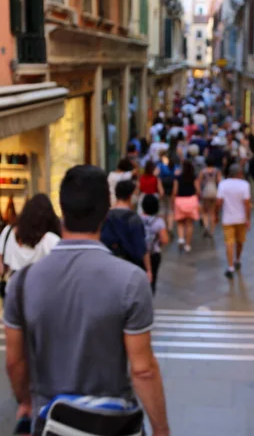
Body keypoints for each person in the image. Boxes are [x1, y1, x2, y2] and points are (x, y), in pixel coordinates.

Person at [3, 165, 169, 435]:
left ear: (63, 209)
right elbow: (143, 370)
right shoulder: (130, 280)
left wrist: (25, 400)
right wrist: (162, 429)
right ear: (106, 210)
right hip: (111, 425)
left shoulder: (20, 285)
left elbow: (14, 361)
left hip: (50, 424)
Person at [101, 180, 152, 282]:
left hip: (107, 266)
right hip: (129, 267)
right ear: (130, 195)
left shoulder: (104, 216)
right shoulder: (134, 219)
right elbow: (141, 247)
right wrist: (149, 269)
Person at [0, 194, 61, 277]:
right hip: (39, 286)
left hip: (11, 286)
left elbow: (1, 267)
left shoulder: (8, 231)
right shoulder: (49, 239)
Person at [216, 164, 250, 279]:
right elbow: (247, 204)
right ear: (239, 173)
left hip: (227, 219)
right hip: (241, 218)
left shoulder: (223, 184)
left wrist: (216, 214)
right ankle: (237, 259)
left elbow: (219, 202)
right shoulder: (245, 185)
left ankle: (230, 267)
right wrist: (248, 219)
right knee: (240, 241)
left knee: (229, 243)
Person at [141, 194, 169, 295]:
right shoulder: (159, 222)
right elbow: (165, 240)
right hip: (154, 253)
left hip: (140, 252)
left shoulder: (137, 219)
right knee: (152, 276)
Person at [172, 159, 200, 253]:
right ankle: (187, 245)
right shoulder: (194, 177)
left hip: (180, 200)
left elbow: (175, 191)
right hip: (191, 200)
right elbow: (198, 190)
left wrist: (173, 201)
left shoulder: (178, 177)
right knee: (189, 224)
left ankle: (180, 239)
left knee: (180, 223)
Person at [199, 156, 222, 238]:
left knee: (205, 211)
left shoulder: (203, 171)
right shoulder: (217, 171)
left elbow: (199, 182)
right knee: (212, 212)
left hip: (206, 191)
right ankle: (212, 231)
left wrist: (199, 192)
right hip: (214, 191)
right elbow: (220, 182)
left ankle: (206, 226)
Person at [157, 151, 179, 233]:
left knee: (162, 209)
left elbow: (156, 174)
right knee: (170, 209)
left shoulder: (160, 166)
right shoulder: (175, 167)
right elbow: (177, 176)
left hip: (162, 189)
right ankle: (170, 228)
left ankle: (163, 227)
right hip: (172, 189)